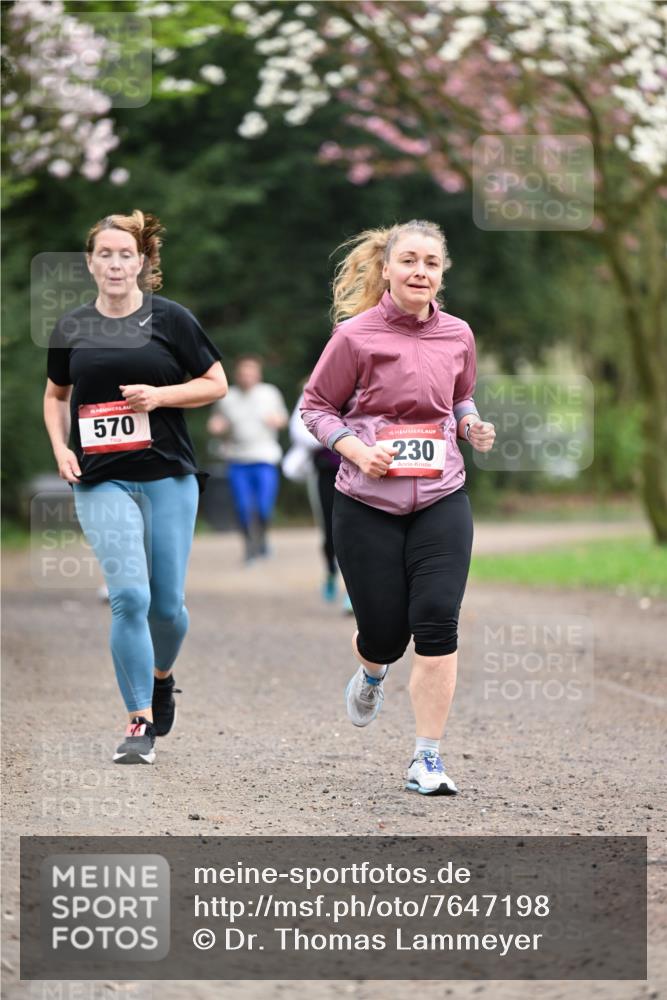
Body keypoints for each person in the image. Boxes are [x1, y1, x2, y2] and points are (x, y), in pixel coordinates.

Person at [301, 220, 495, 796]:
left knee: (437, 621)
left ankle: (426, 758)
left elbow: (460, 394)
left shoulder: (458, 333)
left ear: (442, 273)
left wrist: (469, 423)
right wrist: (356, 449)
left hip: (441, 496)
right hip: (365, 503)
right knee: (385, 633)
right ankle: (372, 670)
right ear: (386, 268)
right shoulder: (355, 336)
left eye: (431, 263)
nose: (420, 272)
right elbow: (315, 407)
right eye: (408, 261)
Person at [43, 210, 228, 765]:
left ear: (143, 262)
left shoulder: (171, 319)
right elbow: (56, 395)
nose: (117, 264)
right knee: (130, 597)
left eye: (127, 254)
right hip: (100, 478)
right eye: (106, 254)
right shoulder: (71, 326)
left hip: (168, 474)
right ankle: (138, 721)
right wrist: (61, 447)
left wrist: (160, 396)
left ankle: (162, 677)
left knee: (167, 607)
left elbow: (214, 383)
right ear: (91, 262)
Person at [207, 356, 288, 562]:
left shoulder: (270, 393)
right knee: (242, 508)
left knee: (263, 507)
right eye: (243, 373)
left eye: (251, 373)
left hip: (264, 457)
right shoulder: (228, 396)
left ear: (258, 374)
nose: (247, 377)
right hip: (237, 459)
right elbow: (215, 422)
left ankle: (261, 538)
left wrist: (276, 421)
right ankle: (249, 546)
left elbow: (283, 419)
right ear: (237, 375)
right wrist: (217, 427)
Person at [283, 390, 352, 612]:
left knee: (360, 530)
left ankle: (354, 590)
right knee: (331, 528)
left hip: (362, 469)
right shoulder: (317, 390)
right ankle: (331, 570)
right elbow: (299, 429)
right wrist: (335, 435)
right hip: (326, 471)